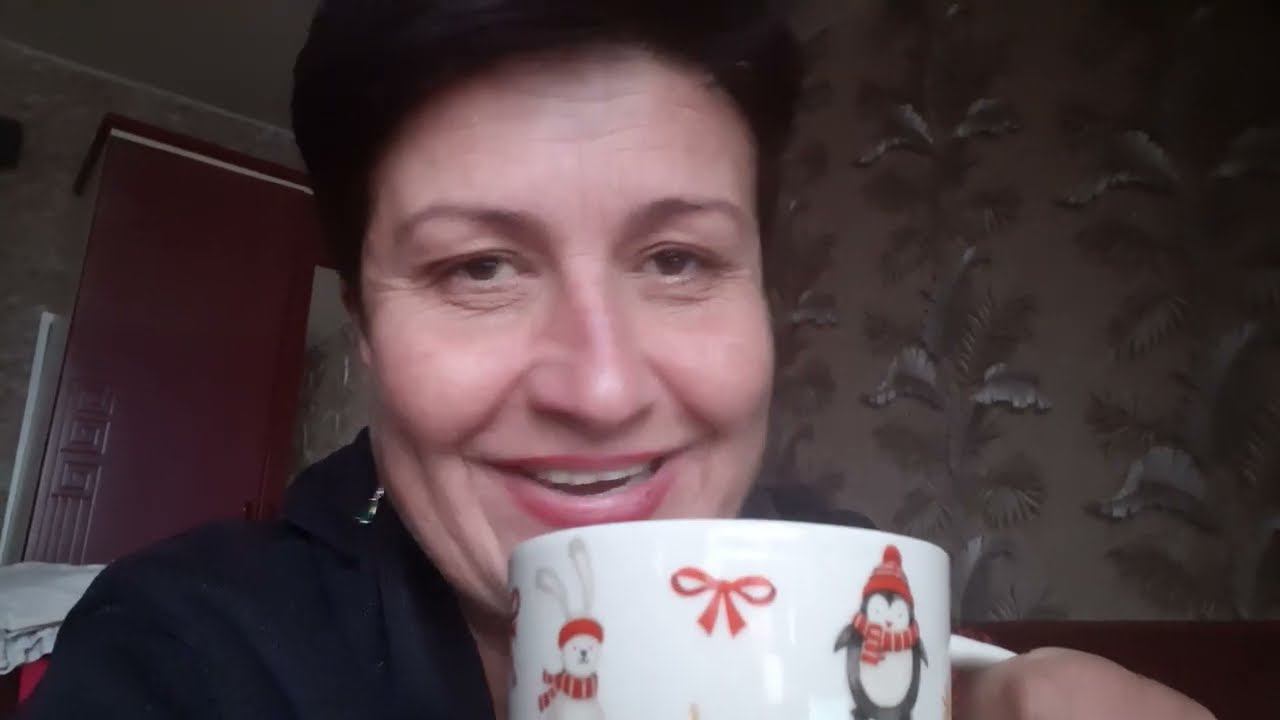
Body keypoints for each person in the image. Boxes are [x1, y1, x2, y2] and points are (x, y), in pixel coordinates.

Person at [19, 1, 1212, 718]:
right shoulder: (188, 652)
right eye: (478, 268)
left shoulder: (846, 583)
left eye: (678, 259)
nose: (599, 390)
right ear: (366, 333)